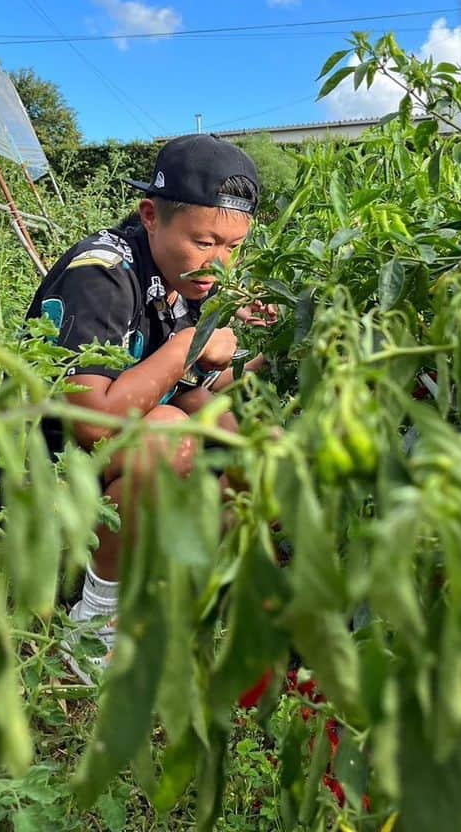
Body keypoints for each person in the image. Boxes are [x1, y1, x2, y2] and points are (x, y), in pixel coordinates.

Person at [24, 134, 277, 683]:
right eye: (205, 241)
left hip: (110, 470)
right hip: (44, 477)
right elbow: (95, 421)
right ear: (151, 216)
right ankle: (94, 618)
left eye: (233, 247)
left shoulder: (185, 277)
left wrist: (272, 351)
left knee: (240, 428)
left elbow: (196, 383)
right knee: (169, 431)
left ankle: (205, 582)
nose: (219, 262)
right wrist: (191, 344)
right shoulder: (102, 275)